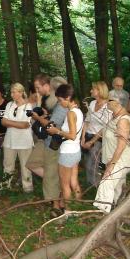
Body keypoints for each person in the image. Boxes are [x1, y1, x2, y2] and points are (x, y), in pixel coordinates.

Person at [28, 75, 68, 202]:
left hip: (53, 143)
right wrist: (46, 115)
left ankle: (55, 202)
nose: (37, 90)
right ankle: (56, 188)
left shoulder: (62, 105)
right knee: (32, 164)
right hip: (45, 141)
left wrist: (38, 118)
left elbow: (52, 125)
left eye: (38, 87)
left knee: (51, 174)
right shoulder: (54, 103)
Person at [94, 96, 130, 213]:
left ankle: (104, 215)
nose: (107, 102)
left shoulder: (123, 120)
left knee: (106, 182)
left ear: (118, 103)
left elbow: (121, 145)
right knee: (118, 186)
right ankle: (117, 213)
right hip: (115, 157)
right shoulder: (115, 116)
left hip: (122, 158)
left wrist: (112, 164)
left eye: (110, 100)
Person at [47, 84, 83, 216]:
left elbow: (72, 135)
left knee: (65, 185)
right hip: (76, 152)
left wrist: (57, 131)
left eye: (61, 100)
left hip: (67, 152)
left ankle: (68, 212)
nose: (60, 103)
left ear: (68, 98)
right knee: (74, 182)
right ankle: (77, 208)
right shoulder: (78, 111)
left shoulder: (70, 113)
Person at [0, 83, 35, 193]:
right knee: (8, 165)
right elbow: (3, 121)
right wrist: (17, 124)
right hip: (9, 141)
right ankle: (5, 187)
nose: (12, 94)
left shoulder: (28, 106)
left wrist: (9, 122)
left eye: (14, 92)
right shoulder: (9, 105)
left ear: (21, 92)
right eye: (11, 92)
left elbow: (25, 125)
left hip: (24, 142)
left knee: (26, 167)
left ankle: (28, 189)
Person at [81, 81, 112, 188]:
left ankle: (97, 187)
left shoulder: (108, 106)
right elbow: (87, 120)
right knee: (87, 162)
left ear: (99, 91)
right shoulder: (92, 103)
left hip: (98, 139)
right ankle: (90, 185)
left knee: (93, 164)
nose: (91, 91)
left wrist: (92, 141)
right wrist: (83, 138)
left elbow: (105, 127)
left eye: (93, 89)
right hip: (87, 135)